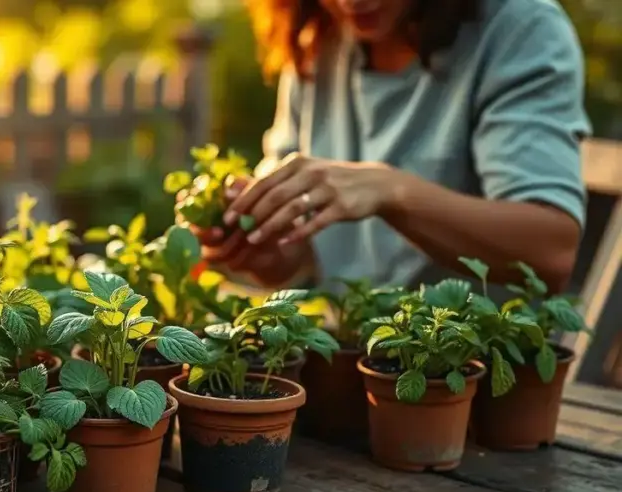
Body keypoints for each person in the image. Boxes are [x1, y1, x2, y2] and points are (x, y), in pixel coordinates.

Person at [193, 0, 589, 294]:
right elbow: (300, 260)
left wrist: (393, 192)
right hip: (348, 358)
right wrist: (270, 255)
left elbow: (550, 251)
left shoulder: (518, 28)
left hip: (470, 375)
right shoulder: (319, 34)